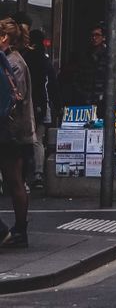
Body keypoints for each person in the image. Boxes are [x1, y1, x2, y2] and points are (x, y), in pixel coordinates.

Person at [0, 19, 35, 249]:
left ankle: (20, 230)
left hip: (13, 131)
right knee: (13, 180)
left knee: (15, 180)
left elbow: (14, 98)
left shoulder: (15, 63)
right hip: (9, 129)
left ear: (5, 38)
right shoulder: (9, 61)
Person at [22, 29, 58, 189]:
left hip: (29, 105)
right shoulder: (44, 61)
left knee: (25, 141)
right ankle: (38, 173)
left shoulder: (27, 59)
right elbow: (51, 85)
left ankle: (26, 174)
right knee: (38, 140)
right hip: (43, 105)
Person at [80, 24, 108, 114]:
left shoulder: (107, 55)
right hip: (87, 98)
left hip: (101, 99)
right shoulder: (86, 54)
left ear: (103, 37)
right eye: (92, 35)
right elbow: (80, 75)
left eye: (97, 35)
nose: (94, 38)